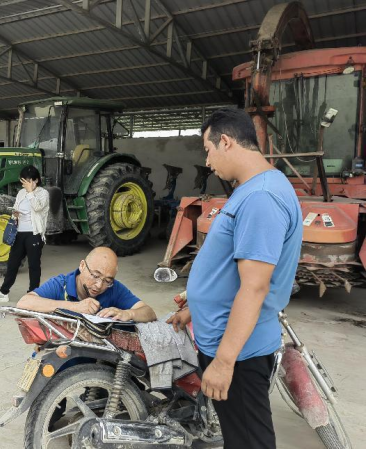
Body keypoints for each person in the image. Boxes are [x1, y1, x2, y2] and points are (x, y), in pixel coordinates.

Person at [168, 108, 302, 449]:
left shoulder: (261, 198)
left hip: (240, 353)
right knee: (238, 436)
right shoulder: (252, 188)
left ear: (225, 142)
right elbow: (232, 273)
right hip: (229, 341)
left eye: (208, 150)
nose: (208, 162)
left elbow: (255, 287)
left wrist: (225, 362)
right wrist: (197, 309)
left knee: (249, 441)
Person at [17, 247, 156, 323]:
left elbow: (149, 312)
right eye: (95, 276)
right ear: (82, 266)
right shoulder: (60, 284)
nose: (99, 285)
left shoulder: (114, 288)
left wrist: (128, 313)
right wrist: (75, 307)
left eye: (107, 280)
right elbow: (23, 303)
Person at [0, 165, 49, 303]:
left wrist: (30, 192)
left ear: (36, 180)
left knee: (34, 265)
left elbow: (38, 207)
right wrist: (15, 214)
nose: (25, 184)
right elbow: (16, 207)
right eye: (23, 181)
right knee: (12, 264)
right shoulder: (21, 193)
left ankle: (33, 294)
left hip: (34, 233)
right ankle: (3, 292)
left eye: (28, 181)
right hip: (19, 232)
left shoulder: (43, 193)